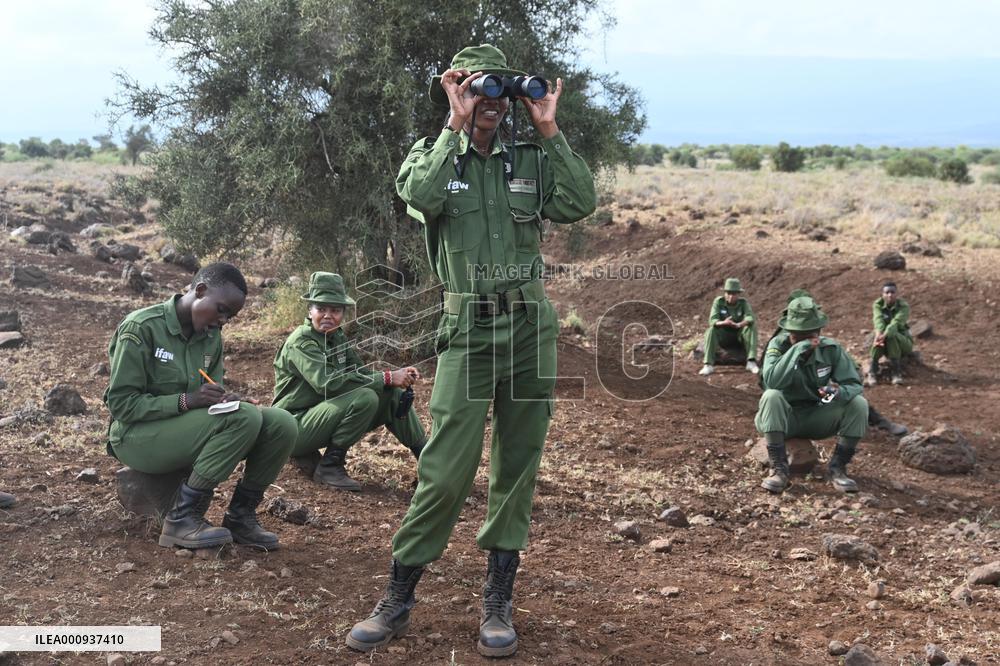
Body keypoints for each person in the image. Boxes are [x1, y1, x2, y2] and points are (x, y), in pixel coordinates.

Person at [346, 45, 596, 657]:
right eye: (474, 86)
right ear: (456, 89)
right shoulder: (431, 157)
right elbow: (421, 197)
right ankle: (398, 597)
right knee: (446, 466)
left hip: (530, 325)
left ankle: (497, 602)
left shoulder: (531, 157)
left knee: (518, 462)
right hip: (468, 329)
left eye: (496, 90)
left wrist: (549, 126)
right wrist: (452, 123)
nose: (488, 100)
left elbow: (581, 201)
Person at [104, 262, 297, 551]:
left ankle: (241, 516)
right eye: (221, 310)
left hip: (181, 430)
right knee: (243, 419)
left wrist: (224, 400)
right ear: (201, 290)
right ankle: (181, 519)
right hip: (135, 437)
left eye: (229, 317)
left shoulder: (210, 337)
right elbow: (121, 405)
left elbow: (209, 396)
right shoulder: (142, 328)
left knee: (281, 422)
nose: (223, 321)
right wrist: (186, 401)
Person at [272, 272, 426, 491]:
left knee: (393, 393)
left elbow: (359, 373)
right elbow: (328, 383)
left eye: (335, 310)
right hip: (291, 428)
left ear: (343, 313)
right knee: (365, 397)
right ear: (310, 311)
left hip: (317, 418)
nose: (327, 316)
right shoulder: (302, 342)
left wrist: (394, 379)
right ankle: (330, 466)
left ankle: (428, 459)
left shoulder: (336, 337)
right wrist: (388, 376)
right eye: (321, 309)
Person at [756, 296, 868, 494]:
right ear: (788, 331)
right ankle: (779, 470)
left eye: (809, 336)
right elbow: (772, 381)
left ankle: (837, 469)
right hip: (782, 418)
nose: (803, 341)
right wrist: (796, 350)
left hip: (815, 415)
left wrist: (838, 391)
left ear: (819, 332)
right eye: (796, 336)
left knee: (859, 404)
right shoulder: (777, 346)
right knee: (772, 396)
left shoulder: (830, 349)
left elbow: (854, 384)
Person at [763, 289, 908, 438]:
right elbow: (772, 374)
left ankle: (874, 420)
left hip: (814, 378)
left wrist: (849, 369)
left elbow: (834, 361)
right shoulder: (785, 336)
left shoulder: (812, 330)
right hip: (792, 389)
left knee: (843, 390)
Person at [699, 277, 758, 376]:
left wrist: (740, 324)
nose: (731, 296)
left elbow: (750, 318)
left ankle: (751, 362)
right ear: (725, 293)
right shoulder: (719, 302)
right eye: (728, 293)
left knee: (751, 327)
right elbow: (712, 320)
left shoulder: (743, 303)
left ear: (738, 294)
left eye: (734, 294)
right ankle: (708, 364)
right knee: (711, 330)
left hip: (738, 335)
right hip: (723, 335)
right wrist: (724, 323)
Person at [867, 281, 913, 386]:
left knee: (892, 335)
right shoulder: (878, 304)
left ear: (897, 294)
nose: (890, 295)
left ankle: (896, 373)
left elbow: (896, 323)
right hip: (884, 340)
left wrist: (885, 334)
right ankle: (872, 372)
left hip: (903, 343)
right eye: (887, 292)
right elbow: (878, 319)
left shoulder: (903, 306)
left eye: (892, 292)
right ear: (882, 294)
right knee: (878, 337)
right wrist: (879, 334)